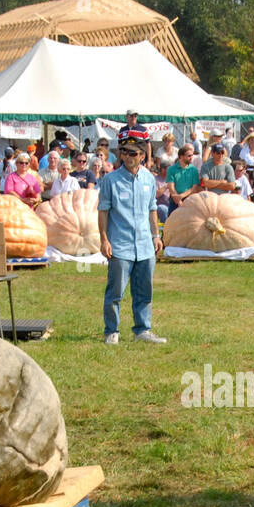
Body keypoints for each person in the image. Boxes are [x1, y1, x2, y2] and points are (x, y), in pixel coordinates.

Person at [98, 129, 165, 346]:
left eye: (133, 153)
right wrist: (104, 240)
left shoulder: (148, 179)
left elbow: (152, 209)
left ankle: (142, 329)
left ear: (142, 155)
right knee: (115, 291)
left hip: (145, 244)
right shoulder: (110, 180)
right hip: (120, 245)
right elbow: (103, 211)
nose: (128, 156)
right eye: (124, 152)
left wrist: (156, 235)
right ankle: (111, 331)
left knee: (144, 291)